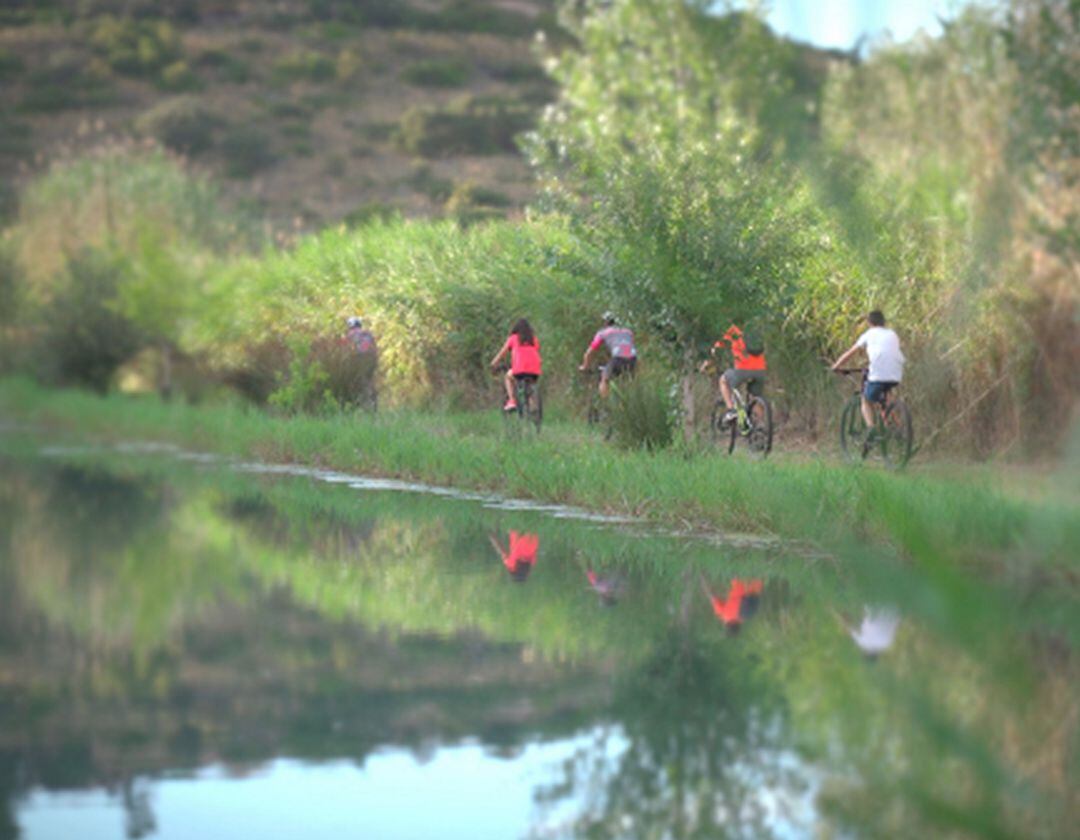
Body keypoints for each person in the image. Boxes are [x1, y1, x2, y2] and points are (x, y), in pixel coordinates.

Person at [830, 310, 905, 431]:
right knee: (886, 398)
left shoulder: (869, 334)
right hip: (896, 373)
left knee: (866, 399)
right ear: (884, 322)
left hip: (879, 374)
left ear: (869, 323)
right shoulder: (892, 334)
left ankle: (871, 429)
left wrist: (836, 366)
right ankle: (899, 429)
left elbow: (850, 353)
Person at [705, 323, 766, 426]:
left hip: (742, 370)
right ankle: (761, 425)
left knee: (723, 380)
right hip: (760, 370)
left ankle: (731, 410)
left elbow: (717, 349)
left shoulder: (733, 331)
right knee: (755, 397)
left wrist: (707, 363)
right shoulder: (755, 328)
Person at [490, 318, 542, 412]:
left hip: (519, 369)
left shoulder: (513, 338)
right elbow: (536, 351)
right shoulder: (534, 339)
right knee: (530, 385)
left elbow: (503, 352)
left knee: (508, 377)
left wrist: (494, 362)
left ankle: (512, 400)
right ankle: (532, 405)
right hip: (535, 370)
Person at [579, 312, 636, 398]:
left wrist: (585, 366)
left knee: (604, 379)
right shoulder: (628, 332)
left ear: (605, 323)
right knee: (629, 381)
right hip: (633, 359)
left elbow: (590, 352)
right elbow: (628, 346)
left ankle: (606, 403)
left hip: (618, 359)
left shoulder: (603, 333)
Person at [344, 316, 378, 409]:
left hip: (359, 358)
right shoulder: (367, 333)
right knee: (369, 379)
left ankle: (362, 403)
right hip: (372, 358)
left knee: (358, 380)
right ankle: (373, 399)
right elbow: (374, 347)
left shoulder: (350, 334)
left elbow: (347, 349)